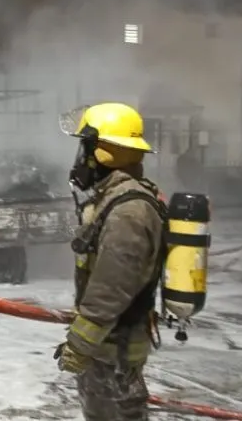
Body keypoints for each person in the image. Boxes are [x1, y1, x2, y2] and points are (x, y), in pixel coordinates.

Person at [53, 102, 165, 421]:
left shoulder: (128, 212)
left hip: (113, 356)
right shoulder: (115, 201)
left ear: (103, 154)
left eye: (85, 148)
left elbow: (111, 288)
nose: (81, 159)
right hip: (107, 350)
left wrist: (79, 345)